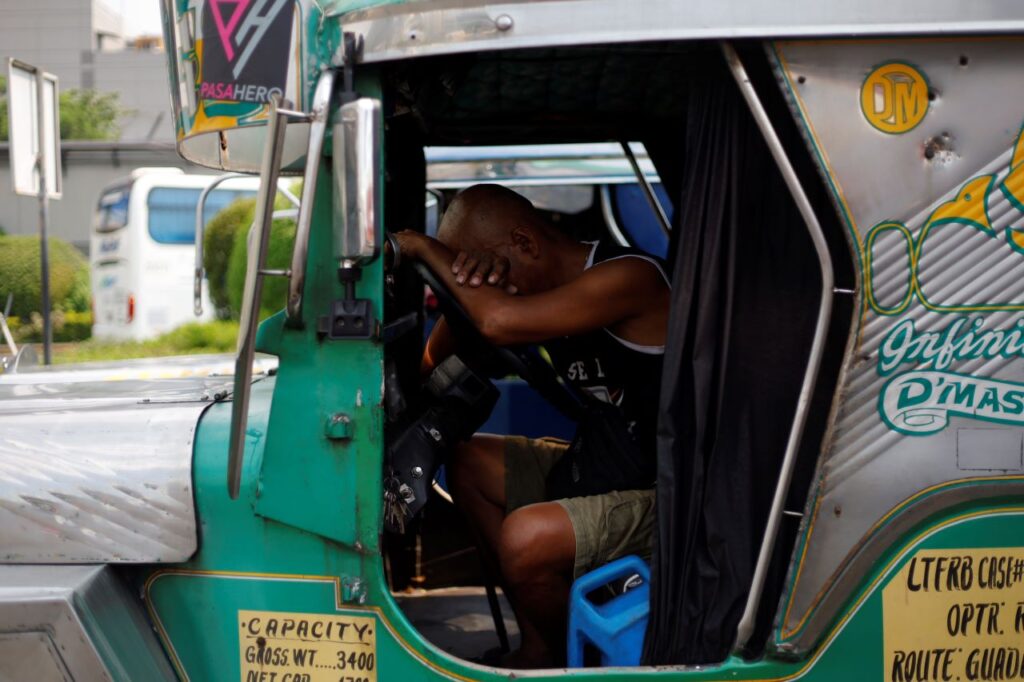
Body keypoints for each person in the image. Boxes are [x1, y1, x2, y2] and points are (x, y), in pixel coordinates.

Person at [393, 184, 670, 668]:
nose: (483, 281)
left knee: (525, 537)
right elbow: (430, 365)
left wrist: (422, 246)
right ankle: (540, 642)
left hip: (664, 494)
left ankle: (579, 663)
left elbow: (498, 322)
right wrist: (470, 288)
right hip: (601, 464)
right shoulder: (532, 290)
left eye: (482, 266)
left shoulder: (631, 276)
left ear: (524, 243)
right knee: (470, 462)